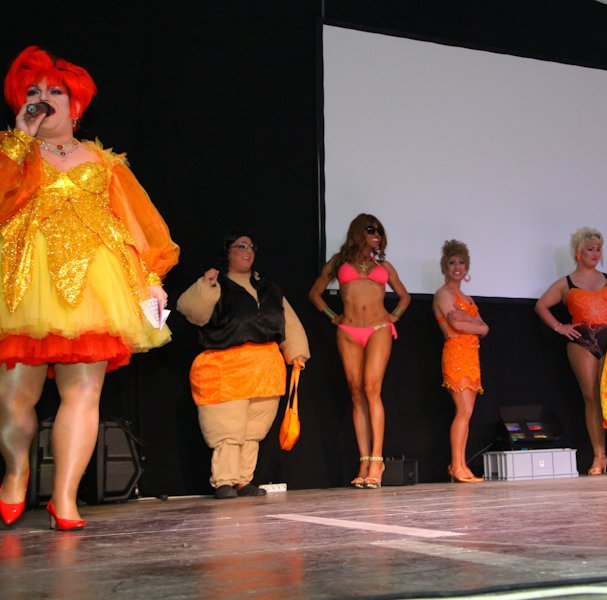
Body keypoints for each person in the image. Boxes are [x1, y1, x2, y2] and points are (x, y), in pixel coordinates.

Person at [0, 46, 179, 529]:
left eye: (55, 92)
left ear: (76, 105)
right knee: (15, 397)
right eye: (33, 91)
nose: (43, 98)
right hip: (25, 283)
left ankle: (64, 498)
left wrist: (149, 279)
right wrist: (19, 141)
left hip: (96, 286)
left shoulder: (105, 163)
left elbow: (135, 225)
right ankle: (15, 472)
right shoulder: (10, 151)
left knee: (84, 392)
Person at [176, 232, 310, 499]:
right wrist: (206, 286)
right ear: (227, 252)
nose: (248, 250)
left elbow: (288, 321)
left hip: (265, 370)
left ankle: (243, 480)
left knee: (253, 430)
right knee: (228, 428)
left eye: (251, 246)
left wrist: (297, 352)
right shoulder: (218, 284)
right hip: (226, 368)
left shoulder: (269, 288)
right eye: (240, 246)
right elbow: (191, 311)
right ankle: (224, 480)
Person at [535, 227, 607, 475]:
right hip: (582, 340)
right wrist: (560, 327)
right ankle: (599, 456)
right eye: (590, 249)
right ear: (578, 252)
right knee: (591, 397)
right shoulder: (566, 283)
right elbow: (541, 305)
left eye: (598, 249)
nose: (595, 253)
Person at [309, 214, 410, 488]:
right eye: (371, 230)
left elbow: (405, 297)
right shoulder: (338, 262)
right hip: (348, 331)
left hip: (378, 328)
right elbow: (315, 293)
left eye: (379, 231)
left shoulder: (383, 266)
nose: (376, 235)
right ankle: (364, 461)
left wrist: (394, 316)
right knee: (356, 393)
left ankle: (377, 460)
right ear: (358, 232)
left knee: (371, 389)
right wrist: (333, 317)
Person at [433, 240, 489, 483]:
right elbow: (456, 325)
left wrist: (469, 319)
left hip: (471, 356)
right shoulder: (443, 294)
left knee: (467, 412)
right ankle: (456, 465)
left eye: (461, 263)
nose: (457, 267)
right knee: (463, 411)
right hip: (456, 354)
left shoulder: (467, 299)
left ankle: (460, 464)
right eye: (452, 263)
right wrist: (473, 324)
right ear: (444, 267)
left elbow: (485, 328)